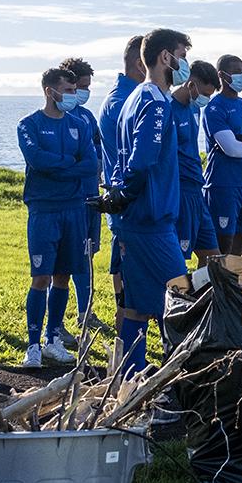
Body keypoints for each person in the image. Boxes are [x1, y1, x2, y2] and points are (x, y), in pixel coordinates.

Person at [104, 28, 190, 380]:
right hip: (151, 221)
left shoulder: (136, 98)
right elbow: (142, 160)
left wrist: (120, 194)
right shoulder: (155, 101)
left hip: (134, 220)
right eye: (182, 54)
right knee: (184, 302)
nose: (185, 62)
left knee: (138, 307)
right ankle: (178, 385)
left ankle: (132, 380)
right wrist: (127, 191)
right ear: (166, 57)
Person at [18, 65, 99, 367]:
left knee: (63, 277)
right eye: (67, 90)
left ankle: (54, 339)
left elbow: (91, 164)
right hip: (43, 209)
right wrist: (69, 162)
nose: (72, 95)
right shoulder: (29, 125)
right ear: (49, 91)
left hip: (74, 208)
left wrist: (60, 167)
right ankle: (33, 344)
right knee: (41, 277)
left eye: (73, 90)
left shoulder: (79, 124)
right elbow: (36, 161)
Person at [98, 36, 147, 320]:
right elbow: (133, 163)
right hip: (131, 209)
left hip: (138, 208)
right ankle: (127, 360)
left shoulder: (133, 97)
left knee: (136, 288)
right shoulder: (122, 102)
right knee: (130, 293)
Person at [58, 56, 104, 330]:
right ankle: (56, 325)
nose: (85, 93)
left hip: (91, 196)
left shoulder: (87, 117)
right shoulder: (59, 117)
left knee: (87, 255)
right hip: (68, 200)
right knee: (64, 263)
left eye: (88, 87)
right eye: (81, 87)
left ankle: (85, 311)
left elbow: (97, 153)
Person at [202, 53, 242, 255]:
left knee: (241, 245)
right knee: (222, 247)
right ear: (222, 75)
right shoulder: (214, 108)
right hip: (222, 186)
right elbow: (232, 149)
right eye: (237, 72)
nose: (241, 76)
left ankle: (232, 285)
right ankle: (216, 286)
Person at [171, 60, 222, 266]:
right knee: (178, 258)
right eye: (205, 94)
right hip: (180, 191)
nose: (206, 99)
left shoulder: (194, 109)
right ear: (191, 84)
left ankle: (202, 297)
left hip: (196, 189)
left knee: (212, 256)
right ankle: (177, 297)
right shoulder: (169, 109)